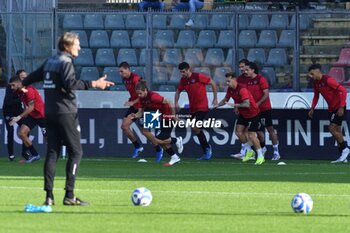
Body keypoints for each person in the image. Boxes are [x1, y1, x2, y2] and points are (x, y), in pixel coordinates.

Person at [22, 32, 114, 206]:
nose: (79, 47)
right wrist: (94, 84)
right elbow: (70, 84)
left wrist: (23, 85)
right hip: (66, 113)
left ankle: (49, 196)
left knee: (52, 152)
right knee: (76, 152)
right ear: (67, 46)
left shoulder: (50, 61)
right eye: (77, 44)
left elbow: (32, 77)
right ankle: (69, 195)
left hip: (50, 113)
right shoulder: (66, 62)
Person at [118, 61, 163, 162]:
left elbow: (144, 94)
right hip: (134, 106)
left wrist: (133, 101)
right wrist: (131, 101)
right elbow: (134, 94)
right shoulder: (125, 79)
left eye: (122, 71)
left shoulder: (136, 79)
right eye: (119, 72)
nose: (120, 74)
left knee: (145, 132)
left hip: (144, 106)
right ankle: (138, 147)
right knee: (124, 126)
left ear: (128, 69)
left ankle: (158, 149)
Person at [131, 80, 184, 166]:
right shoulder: (141, 99)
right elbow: (140, 112)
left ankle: (177, 140)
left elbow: (170, 102)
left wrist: (173, 116)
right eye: (138, 93)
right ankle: (174, 157)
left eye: (140, 93)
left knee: (157, 140)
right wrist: (135, 116)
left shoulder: (153, 96)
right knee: (158, 140)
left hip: (168, 115)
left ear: (145, 90)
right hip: (159, 117)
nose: (139, 95)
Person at [216, 72, 265, 165]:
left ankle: (260, 156)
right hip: (244, 114)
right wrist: (217, 105)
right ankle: (249, 151)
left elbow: (247, 104)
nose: (227, 83)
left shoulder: (242, 89)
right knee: (238, 132)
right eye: (226, 81)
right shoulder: (230, 89)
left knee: (251, 135)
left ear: (234, 80)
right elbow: (225, 100)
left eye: (229, 81)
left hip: (253, 113)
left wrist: (235, 105)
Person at [174, 62, 218, 160]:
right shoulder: (183, 80)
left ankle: (207, 149)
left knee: (195, 127)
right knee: (196, 129)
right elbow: (178, 91)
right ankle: (206, 149)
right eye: (181, 72)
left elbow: (213, 83)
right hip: (193, 108)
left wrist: (215, 98)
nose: (182, 74)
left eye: (183, 71)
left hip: (202, 107)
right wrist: (176, 102)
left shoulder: (198, 76)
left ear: (188, 69)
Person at [308, 63, 349, 163]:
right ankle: (343, 157)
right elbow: (316, 96)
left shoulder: (328, 80)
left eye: (312, 74)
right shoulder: (316, 83)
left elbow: (343, 91)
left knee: (331, 128)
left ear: (318, 71)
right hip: (331, 109)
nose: (311, 76)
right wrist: (312, 108)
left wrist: (341, 107)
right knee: (337, 131)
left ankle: (345, 149)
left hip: (338, 107)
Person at [243, 62, 281, 161]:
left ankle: (276, 152)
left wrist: (258, 104)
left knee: (270, 129)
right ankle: (262, 148)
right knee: (256, 130)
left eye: (247, 70)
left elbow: (266, 94)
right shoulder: (247, 81)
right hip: (254, 110)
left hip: (264, 109)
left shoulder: (261, 79)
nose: (245, 72)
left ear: (253, 70)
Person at [8, 75, 46, 163]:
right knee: (22, 133)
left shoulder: (29, 90)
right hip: (32, 116)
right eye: (10, 85)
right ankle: (35, 155)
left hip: (42, 115)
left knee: (48, 139)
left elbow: (31, 107)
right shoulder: (20, 91)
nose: (11, 87)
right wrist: (24, 115)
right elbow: (26, 104)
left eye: (13, 85)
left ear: (18, 83)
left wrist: (18, 117)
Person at [2, 69, 30, 161]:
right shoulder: (10, 87)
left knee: (26, 129)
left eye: (25, 77)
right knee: (10, 131)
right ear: (18, 78)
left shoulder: (26, 87)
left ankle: (25, 152)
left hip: (18, 111)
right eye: (22, 77)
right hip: (8, 111)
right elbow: (8, 102)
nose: (24, 78)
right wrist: (21, 98)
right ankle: (11, 154)